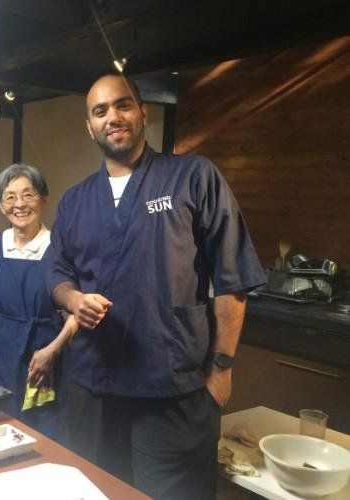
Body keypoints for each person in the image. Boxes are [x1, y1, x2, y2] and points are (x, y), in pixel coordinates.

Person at [46, 74, 266, 499]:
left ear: (143, 112)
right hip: (93, 386)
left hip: (171, 389)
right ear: (89, 126)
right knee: (97, 491)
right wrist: (72, 299)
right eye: (100, 111)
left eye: (123, 105)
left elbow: (232, 280)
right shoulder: (75, 200)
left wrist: (221, 370)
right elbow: (56, 272)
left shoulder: (193, 177)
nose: (113, 117)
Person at [0, 164, 77, 439]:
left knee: (43, 431)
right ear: (0, 205)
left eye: (28, 195)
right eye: (9, 197)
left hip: (44, 352)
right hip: (3, 351)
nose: (19, 204)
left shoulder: (59, 246)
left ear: (43, 199)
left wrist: (52, 352)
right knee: (0, 425)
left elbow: (75, 314)